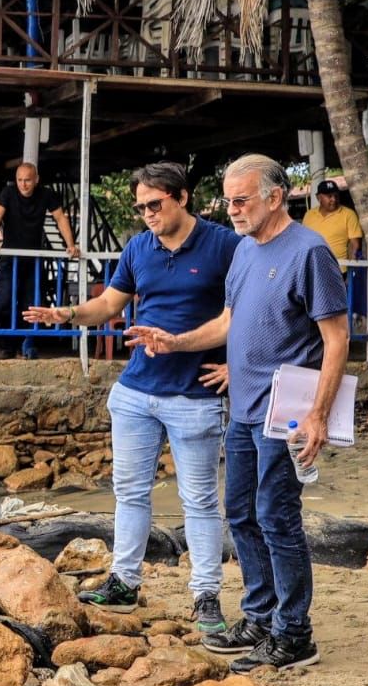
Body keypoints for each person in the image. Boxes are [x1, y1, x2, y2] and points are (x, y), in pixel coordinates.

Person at [125, 153, 349, 673]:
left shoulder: (310, 251)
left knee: (277, 516)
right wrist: (176, 340)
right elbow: (228, 322)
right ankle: (261, 614)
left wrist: (318, 414)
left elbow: (336, 340)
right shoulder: (245, 251)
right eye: (227, 200)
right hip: (243, 409)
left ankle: (295, 634)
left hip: (285, 412)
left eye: (241, 199)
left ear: (276, 197)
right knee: (242, 514)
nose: (231, 210)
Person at [23, 162, 240, 634]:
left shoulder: (225, 244)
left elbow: (246, 312)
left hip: (195, 396)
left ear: (182, 198)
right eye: (140, 206)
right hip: (136, 392)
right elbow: (109, 305)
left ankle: (206, 595)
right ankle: (124, 581)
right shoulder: (139, 247)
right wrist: (66, 313)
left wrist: (238, 367)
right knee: (128, 493)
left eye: (155, 204)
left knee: (200, 501)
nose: (147, 214)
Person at [0, 162, 80, 359]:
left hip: (34, 260)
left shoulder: (46, 194)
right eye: (19, 180)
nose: (23, 184)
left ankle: (24, 346)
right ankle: (6, 346)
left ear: (36, 180)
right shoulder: (8, 193)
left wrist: (71, 245)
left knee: (32, 305)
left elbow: (61, 218)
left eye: (27, 180)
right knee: (2, 302)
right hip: (10, 259)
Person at [301, 179, 362, 272]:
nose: (333, 199)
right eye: (329, 196)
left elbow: (355, 244)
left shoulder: (348, 214)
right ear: (319, 198)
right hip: (313, 270)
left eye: (336, 196)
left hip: (338, 270)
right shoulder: (309, 215)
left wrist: (351, 271)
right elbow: (303, 242)